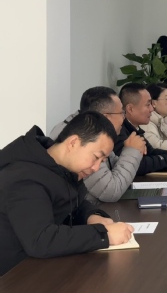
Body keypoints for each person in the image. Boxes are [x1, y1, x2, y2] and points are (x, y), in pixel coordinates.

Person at [0, 112, 134, 276]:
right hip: (13, 276)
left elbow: (72, 204)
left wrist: (91, 216)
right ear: (73, 143)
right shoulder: (24, 177)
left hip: (39, 266)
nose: (96, 168)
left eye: (102, 161)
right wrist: (103, 235)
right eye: (96, 157)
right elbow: (41, 240)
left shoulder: (56, 167)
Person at [116, 83, 167, 175]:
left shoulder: (135, 128)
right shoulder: (119, 131)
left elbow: (150, 152)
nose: (152, 109)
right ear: (130, 109)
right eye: (148, 105)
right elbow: (137, 164)